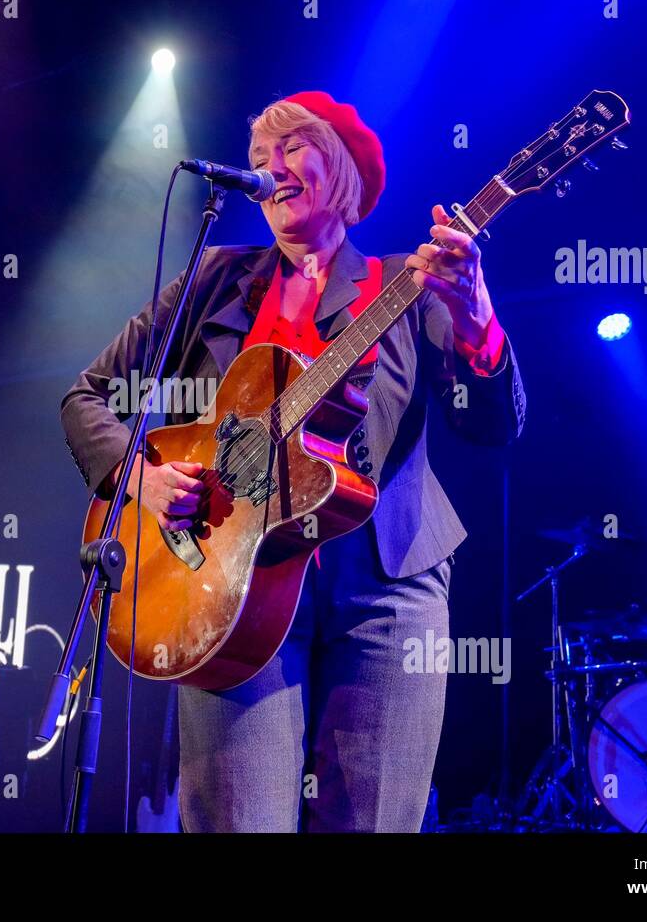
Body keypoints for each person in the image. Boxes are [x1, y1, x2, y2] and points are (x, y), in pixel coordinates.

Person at [61, 91, 525, 832]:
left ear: (338, 166)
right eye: (256, 161)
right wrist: (139, 477)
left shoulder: (409, 283)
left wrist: (478, 322)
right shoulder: (213, 280)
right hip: (226, 581)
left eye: (289, 151)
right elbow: (89, 396)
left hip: (386, 584)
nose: (268, 170)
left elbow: (495, 427)